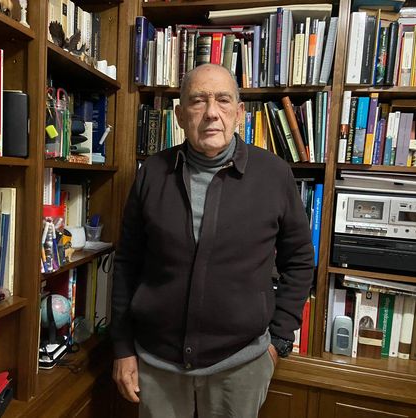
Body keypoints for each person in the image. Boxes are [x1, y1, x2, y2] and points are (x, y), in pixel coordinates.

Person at [111, 63, 314, 418]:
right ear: (179, 114)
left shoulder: (275, 175)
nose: (211, 114)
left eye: (223, 101)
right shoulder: (151, 173)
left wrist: (279, 341)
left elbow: (299, 261)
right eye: (198, 101)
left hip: (240, 367)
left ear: (239, 114)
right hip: (157, 366)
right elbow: (127, 264)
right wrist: (122, 348)